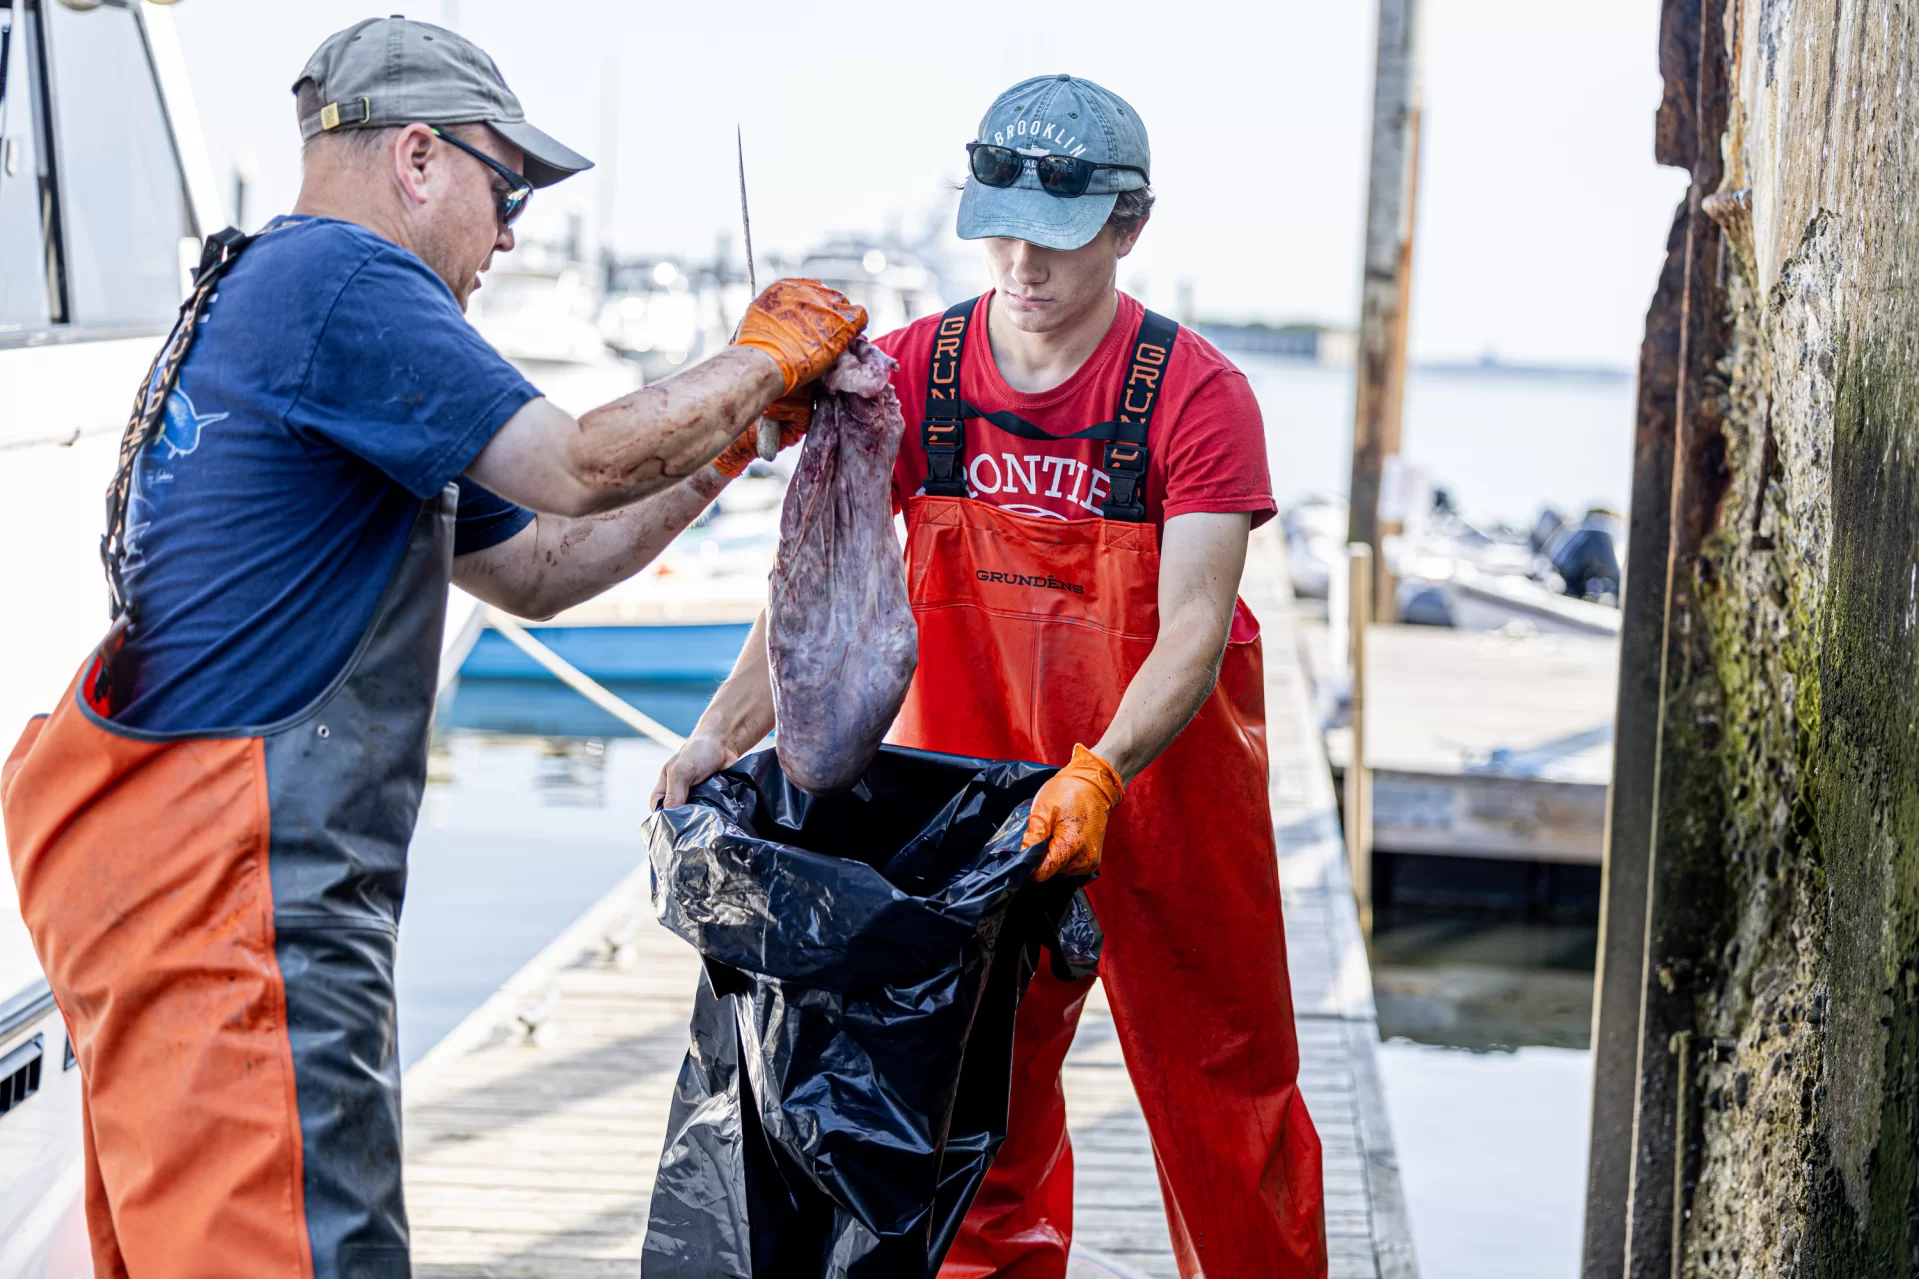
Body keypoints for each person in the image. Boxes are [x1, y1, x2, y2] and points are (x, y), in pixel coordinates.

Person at [0, 18, 863, 1278]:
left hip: (160, 885)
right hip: (239, 911)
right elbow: (582, 461)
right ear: (415, 158)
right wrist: (756, 357)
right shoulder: (351, 281)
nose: (511, 233)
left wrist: (730, 442)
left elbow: (541, 570)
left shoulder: (280, 298)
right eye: (503, 187)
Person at [655, 74, 1327, 1278]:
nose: (1022, 261)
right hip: (977, 813)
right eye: (1000, 228)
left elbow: (1190, 625)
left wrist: (1105, 772)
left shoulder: (1197, 397)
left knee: (1231, 1097)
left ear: (1129, 225)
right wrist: (717, 735)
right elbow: (816, 599)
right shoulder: (909, 374)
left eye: (1058, 237)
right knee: (975, 1119)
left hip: (1157, 789)